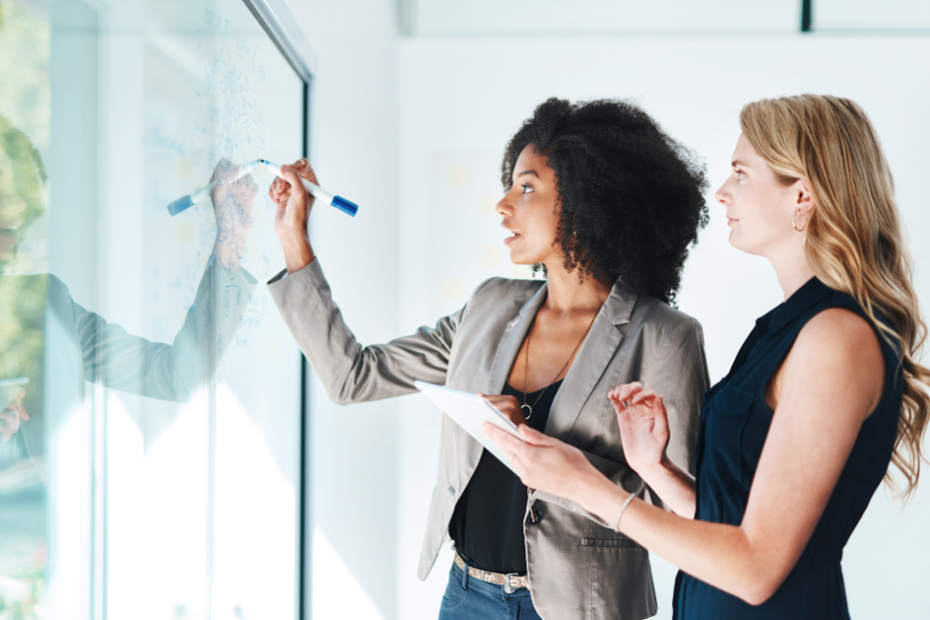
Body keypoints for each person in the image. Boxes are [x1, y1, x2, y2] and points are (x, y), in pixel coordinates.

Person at [485, 94, 930, 619]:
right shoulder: (784, 329)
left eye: (741, 173)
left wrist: (585, 484)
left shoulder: (836, 338)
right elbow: (735, 522)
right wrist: (657, 470)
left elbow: (756, 568)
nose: (722, 192)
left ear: (802, 197)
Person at [267, 98, 710, 619]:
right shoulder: (490, 305)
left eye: (527, 187)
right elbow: (353, 376)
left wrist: (533, 444)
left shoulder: (664, 337)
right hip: (465, 597)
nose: (503, 205)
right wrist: (293, 236)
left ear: (591, 198)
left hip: (579, 609)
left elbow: (681, 516)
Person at [0, 113, 258, 461]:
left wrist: (231, 240)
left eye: (17, 219)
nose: (14, 229)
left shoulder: (48, 308)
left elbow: (181, 376)